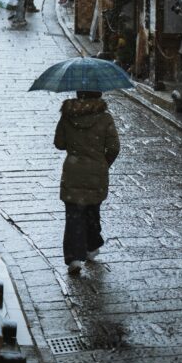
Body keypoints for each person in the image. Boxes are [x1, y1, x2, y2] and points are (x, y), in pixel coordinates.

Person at [54, 89, 120, 274]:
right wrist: (103, 163)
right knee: (92, 211)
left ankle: (74, 258)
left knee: (73, 215)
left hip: (73, 171)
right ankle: (92, 246)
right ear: (98, 94)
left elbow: (59, 143)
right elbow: (114, 147)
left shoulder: (68, 116)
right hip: (96, 171)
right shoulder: (105, 118)